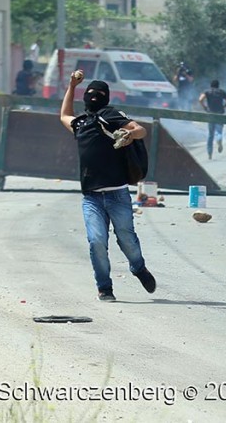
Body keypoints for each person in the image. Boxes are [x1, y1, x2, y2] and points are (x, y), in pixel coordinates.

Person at [59, 72, 156, 302]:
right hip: (91, 198)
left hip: (117, 194)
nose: (94, 97)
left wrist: (129, 134)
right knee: (96, 242)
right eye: (90, 93)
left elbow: (141, 130)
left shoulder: (110, 115)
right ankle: (105, 287)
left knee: (127, 239)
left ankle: (138, 268)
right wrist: (72, 86)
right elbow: (64, 115)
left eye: (99, 94)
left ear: (107, 98)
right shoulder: (81, 124)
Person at [199, 80, 226, 160]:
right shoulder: (221, 92)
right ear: (218, 85)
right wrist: (224, 106)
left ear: (211, 85)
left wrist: (204, 107)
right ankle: (219, 139)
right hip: (220, 114)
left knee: (210, 134)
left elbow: (200, 99)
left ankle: (209, 154)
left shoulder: (207, 92)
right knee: (219, 131)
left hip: (210, 114)